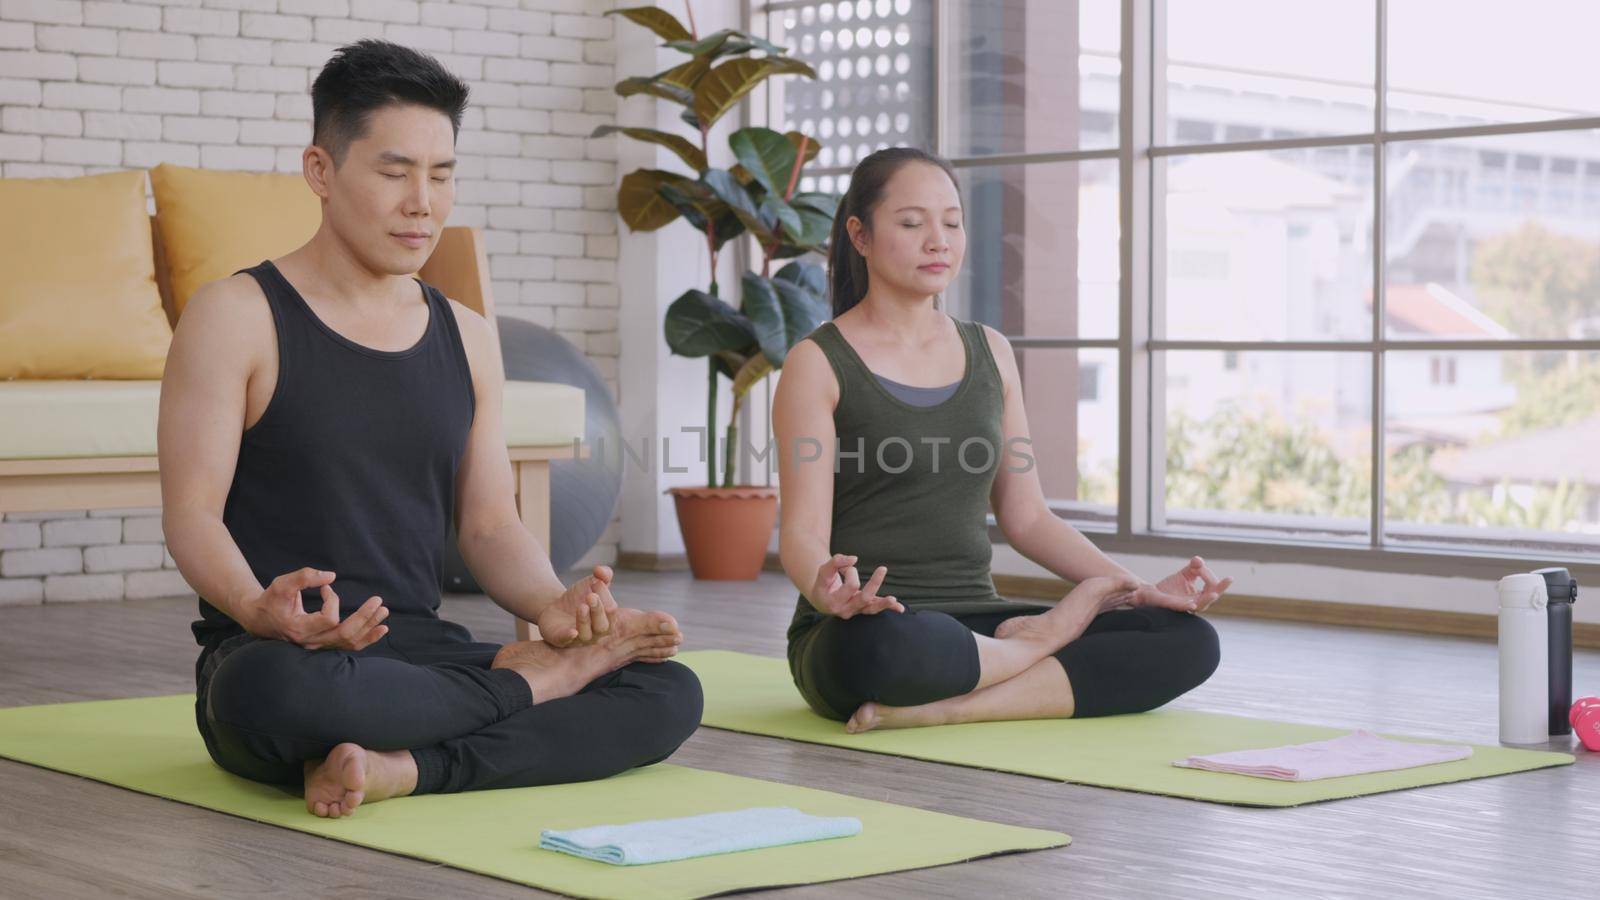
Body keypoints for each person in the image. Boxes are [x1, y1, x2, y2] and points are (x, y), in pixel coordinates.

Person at [158, 41, 702, 818]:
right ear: (321, 171)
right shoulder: (237, 316)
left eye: (442, 175)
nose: (423, 202)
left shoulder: (468, 335)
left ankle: (403, 769)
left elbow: (487, 525)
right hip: (289, 657)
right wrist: (253, 610)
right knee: (268, 695)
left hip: (423, 654)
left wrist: (554, 608)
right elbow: (190, 516)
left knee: (668, 690)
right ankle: (522, 691)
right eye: (394, 172)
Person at [774, 147, 1232, 734]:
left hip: (982, 623)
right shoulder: (817, 362)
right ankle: (1034, 650)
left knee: (1187, 641)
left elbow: (1029, 517)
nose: (938, 240)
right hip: (873, 625)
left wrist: (1135, 591)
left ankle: (957, 705)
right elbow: (802, 533)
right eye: (913, 224)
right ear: (859, 236)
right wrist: (827, 588)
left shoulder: (990, 351)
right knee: (891, 648)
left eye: (952, 222)